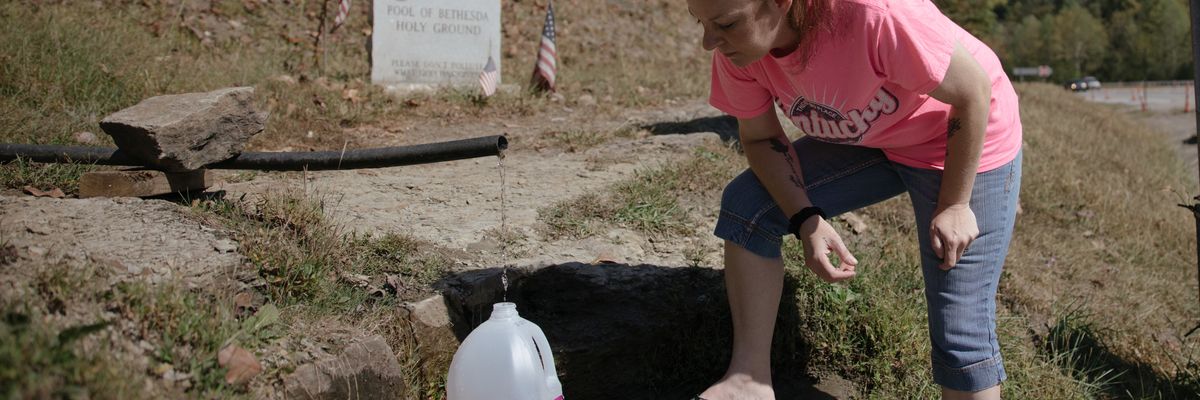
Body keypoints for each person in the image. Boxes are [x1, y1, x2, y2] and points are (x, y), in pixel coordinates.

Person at [687, 0, 1023, 399]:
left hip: (956, 136)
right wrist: (806, 217)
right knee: (749, 206)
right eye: (701, 23)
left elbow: (973, 90)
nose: (709, 41)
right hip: (874, 137)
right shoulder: (739, 50)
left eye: (725, 23)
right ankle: (748, 382)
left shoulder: (875, 14)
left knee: (959, 328)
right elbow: (761, 138)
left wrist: (954, 204)